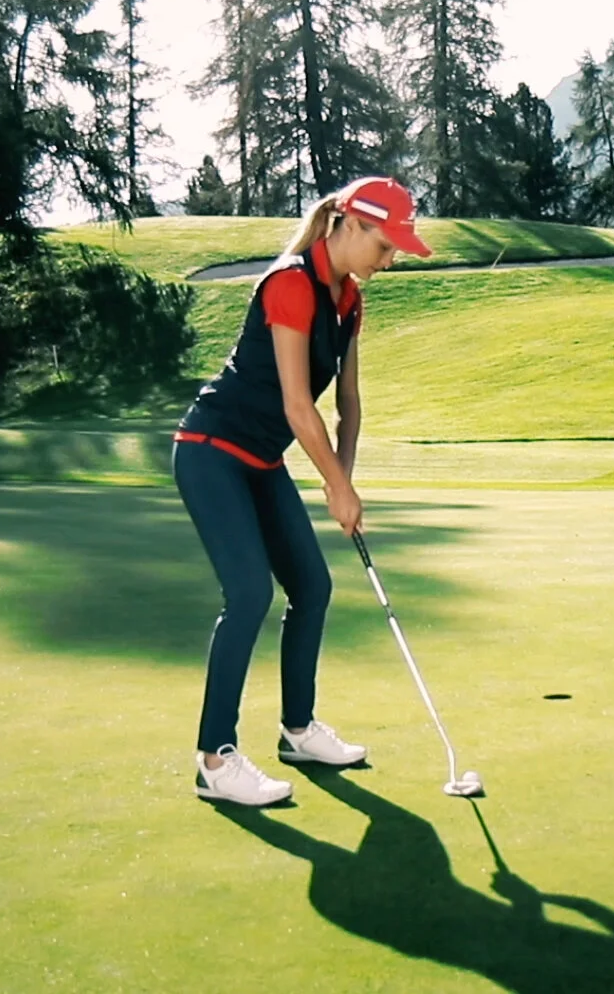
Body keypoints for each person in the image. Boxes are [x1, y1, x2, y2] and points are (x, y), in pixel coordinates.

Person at [174, 176, 431, 808]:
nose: (390, 260)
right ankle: (215, 760)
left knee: (312, 587)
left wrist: (345, 479)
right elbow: (297, 403)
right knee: (249, 593)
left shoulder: (350, 300)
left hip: (261, 460)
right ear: (350, 224)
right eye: (385, 245)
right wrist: (334, 485)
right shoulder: (289, 284)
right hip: (210, 450)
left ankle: (298, 730)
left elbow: (348, 401)